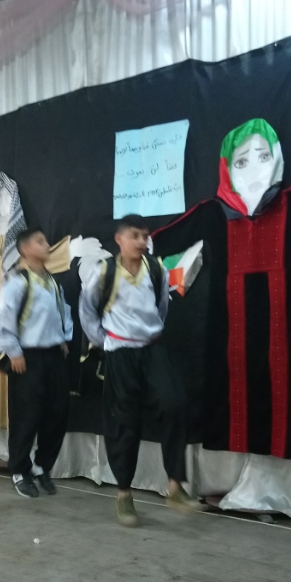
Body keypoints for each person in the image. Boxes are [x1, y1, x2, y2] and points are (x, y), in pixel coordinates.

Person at [79, 215, 204, 527]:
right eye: (134, 235)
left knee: (175, 404)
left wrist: (148, 334)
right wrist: (106, 340)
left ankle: (174, 486)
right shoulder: (104, 272)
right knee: (124, 422)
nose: (141, 241)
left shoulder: (156, 269)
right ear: (119, 239)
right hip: (120, 353)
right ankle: (124, 494)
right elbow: (87, 310)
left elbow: (162, 307)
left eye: (145, 236)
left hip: (152, 349)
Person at [0, 227, 73, 498]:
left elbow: (63, 314)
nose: (46, 245)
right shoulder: (16, 284)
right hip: (27, 358)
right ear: (25, 250)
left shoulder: (53, 283)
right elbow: (0, 323)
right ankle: (19, 470)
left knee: (57, 414)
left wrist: (63, 339)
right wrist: (14, 352)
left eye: (46, 241)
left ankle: (42, 467)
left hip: (53, 357)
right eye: (40, 241)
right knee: (26, 417)